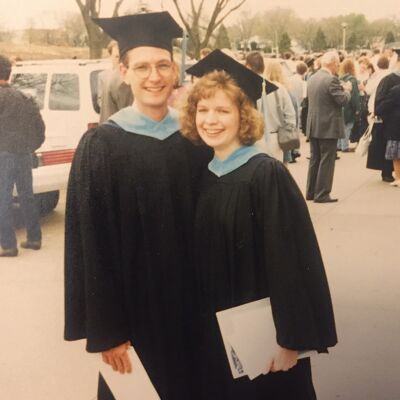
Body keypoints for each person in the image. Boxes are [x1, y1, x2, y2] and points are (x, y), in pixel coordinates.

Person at [64, 12, 211, 400]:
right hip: (133, 320)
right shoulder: (102, 147)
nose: (154, 76)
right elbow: (90, 247)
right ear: (122, 71)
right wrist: (108, 332)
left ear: (175, 69)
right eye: (142, 67)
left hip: (195, 314)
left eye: (163, 65)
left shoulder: (194, 140)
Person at [181, 49, 337, 399]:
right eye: (202, 110)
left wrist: (290, 340)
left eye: (223, 110)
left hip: (264, 339)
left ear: (244, 115)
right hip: (218, 333)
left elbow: (292, 262)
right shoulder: (205, 175)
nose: (210, 120)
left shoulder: (265, 173)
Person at [0, 55, 45, 257]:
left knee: (3, 198)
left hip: (3, 155)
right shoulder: (25, 98)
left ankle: (9, 245)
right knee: (27, 196)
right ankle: (34, 238)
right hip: (23, 154)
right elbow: (40, 129)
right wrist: (29, 147)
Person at [305, 51, 351, 203]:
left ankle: (311, 192)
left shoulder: (312, 78)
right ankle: (322, 194)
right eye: (337, 64)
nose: (338, 67)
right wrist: (348, 90)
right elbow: (342, 101)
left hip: (314, 124)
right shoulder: (331, 79)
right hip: (328, 126)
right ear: (333, 63)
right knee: (327, 160)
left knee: (315, 159)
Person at [374, 48, 400, 187]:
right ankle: (388, 172)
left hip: (391, 122)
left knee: (393, 151)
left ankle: (392, 174)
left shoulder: (389, 80)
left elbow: (380, 104)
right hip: (390, 122)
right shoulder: (389, 79)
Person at [97, 40, 133, 123]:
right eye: (116, 57)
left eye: (122, 57)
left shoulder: (128, 77)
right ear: (110, 56)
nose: (120, 60)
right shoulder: (103, 76)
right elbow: (100, 101)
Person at [338, 58, 361, 152]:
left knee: (341, 127)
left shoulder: (339, 78)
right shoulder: (353, 80)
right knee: (348, 127)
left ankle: (339, 145)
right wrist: (357, 108)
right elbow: (354, 96)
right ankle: (345, 146)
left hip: (341, 105)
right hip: (349, 107)